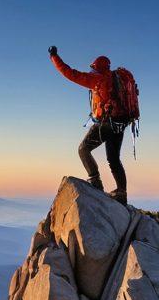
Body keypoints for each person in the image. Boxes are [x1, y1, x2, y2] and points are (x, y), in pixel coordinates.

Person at [48, 46, 130, 205]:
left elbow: (70, 73)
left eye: (93, 69)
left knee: (83, 149)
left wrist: (54, 57)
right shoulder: (115, 78)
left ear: (96, 68)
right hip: (121, 122)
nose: (91, 71)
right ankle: (122, 193)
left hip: (106, 122)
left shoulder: (97, 79)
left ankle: (95, 182)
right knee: (113, 158)